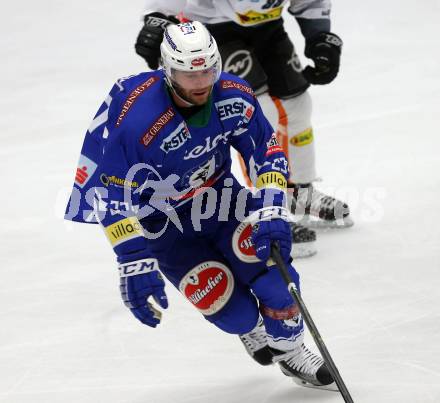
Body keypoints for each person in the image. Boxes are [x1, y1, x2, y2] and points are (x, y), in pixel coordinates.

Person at [65, 21, 335, 389]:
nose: (201, 84)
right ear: (165, 70)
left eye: (208, 71)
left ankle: (292, 352)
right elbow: (108, 195)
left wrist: (271, 208)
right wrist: (132, 261)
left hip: (223, 204)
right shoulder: (136, 122)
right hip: (165, 228)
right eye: (188, 76)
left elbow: (266, 154)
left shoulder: (233, 95)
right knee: (235, 315)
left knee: (278, 286)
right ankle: (251, 328)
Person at [134, 0, 353, 240]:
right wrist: (158, 20)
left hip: (268, 28)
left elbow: (310, 3)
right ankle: (265, 204)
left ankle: (299, 192)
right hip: (214, 30)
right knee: (255, 111)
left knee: (299, 105)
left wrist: (320, 37)